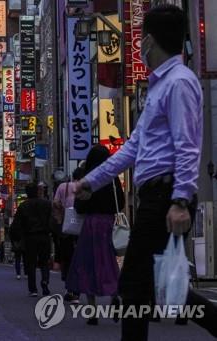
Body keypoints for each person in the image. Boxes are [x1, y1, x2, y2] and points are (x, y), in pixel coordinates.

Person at [74, 5, 217, 340]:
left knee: (137, 286)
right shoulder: (161, 86)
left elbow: (187, 145)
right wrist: (90, 182)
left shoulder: (179, 83)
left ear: (150, 40)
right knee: (160, 287)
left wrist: (181, 199)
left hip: (167, 195)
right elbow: (134, 147)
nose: (138, 45)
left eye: (140, 39)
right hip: (158, 196)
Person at [65, 145, 123, 325]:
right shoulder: (112, 179)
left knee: (88, 265)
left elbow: (79, 207)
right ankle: (115, 295)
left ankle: (92, 312)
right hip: (108, 224)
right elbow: (120, 203)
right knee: (109, 263)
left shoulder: (87, 179)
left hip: (90, 226)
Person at [10, 182, 53, 297]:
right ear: (38, 191)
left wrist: (16, 238)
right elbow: (52, 220)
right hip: (44, 236)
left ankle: (33, 289)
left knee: (31, 263)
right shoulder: (47, 204)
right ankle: (45, 281)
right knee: (44, 262)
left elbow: (16, 225)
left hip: (30, 237)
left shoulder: (23, 205)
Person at [53, 167, 86, 304]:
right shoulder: (85, 187)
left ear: (72, 176)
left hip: (67, 227)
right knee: (80, 258)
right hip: (82, 227)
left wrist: (63, 208)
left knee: (67, 257)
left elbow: (55, 203)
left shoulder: (63, 186)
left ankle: (69, 288)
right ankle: (77, 291)